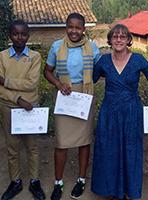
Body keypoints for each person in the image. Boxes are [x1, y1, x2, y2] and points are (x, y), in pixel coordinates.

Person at [91, 24, 148, 200]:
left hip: (131, 111)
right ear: (110, 40)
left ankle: (129, 190)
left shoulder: (138, 60)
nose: (119, 39)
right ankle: (111, 190)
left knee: (131, 150)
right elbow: (93, 77)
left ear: (128, 40)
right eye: (115, 36)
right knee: (109, 149)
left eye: (123, 36)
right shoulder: (103, 61)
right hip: (109, 112)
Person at [44, 13, 100, 200]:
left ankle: (81, 179)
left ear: (83, 29)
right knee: (61, 142)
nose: (74, 31)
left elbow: (101, 70)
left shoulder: (92, 47)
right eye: (70, 27)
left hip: (84, 96)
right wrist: (59, 84)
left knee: (84, 141)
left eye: (78, 27)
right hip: (64, 95)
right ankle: (58, 182)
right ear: (66, 27)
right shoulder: (57, 46)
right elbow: (47, 71)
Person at [0, 20, 45, 200]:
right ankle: (15, 181)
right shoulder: (1, 57)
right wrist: (17, 99)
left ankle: (34, 181)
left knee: (32, 147)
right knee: (12, 148)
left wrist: (6, 81)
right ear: (10, 35)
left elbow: (31, 83)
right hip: (8, 108)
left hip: (30, 109)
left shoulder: (34, 57)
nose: (20, 37)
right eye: (15, 33)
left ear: (28, 35)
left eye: (23, 34)